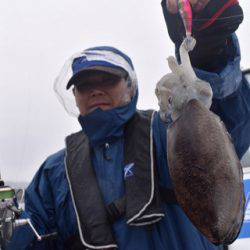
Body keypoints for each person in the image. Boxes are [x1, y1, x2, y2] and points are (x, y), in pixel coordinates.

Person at [7, 0, 250, 249]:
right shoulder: (54, 172)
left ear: (131, 88)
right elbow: (28, 236)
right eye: (85, 85)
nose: (95, 90)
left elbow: (228, 122)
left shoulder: (164, 133)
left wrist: (209, 52)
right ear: (75, 96)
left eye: (107, 80)